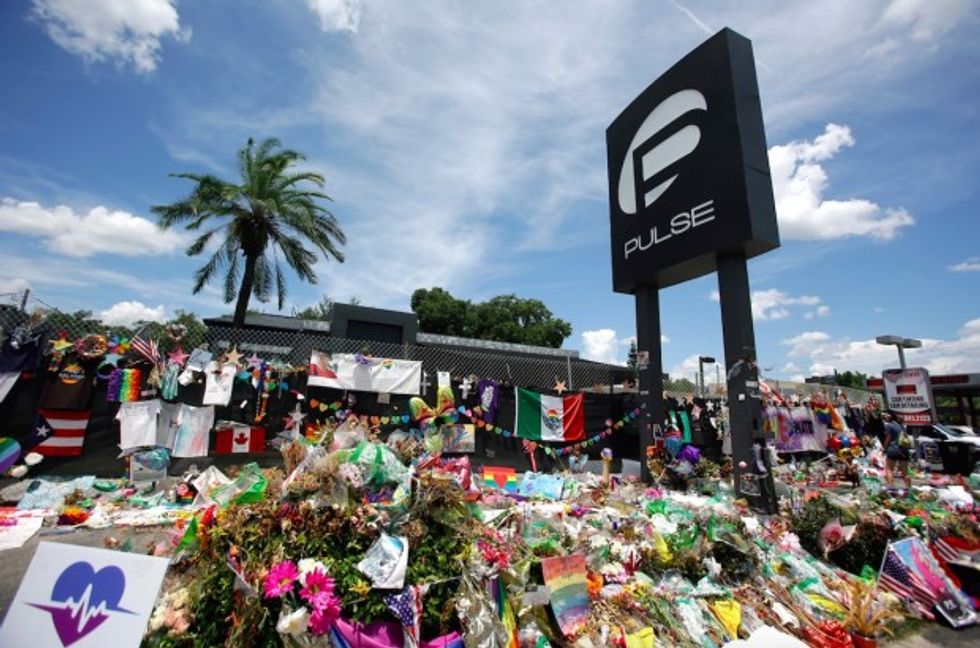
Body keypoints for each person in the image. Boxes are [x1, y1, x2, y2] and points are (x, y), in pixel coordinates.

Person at [882, 411, 912, 489]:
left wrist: (884, 449)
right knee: (905, 472)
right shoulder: (902, 426)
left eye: (886, 415)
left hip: (893, 450)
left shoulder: (889, 426)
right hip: (904, 450)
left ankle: (891, 489)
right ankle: (909, 489)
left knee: (889, 469)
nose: (885, 417)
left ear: (891, 416)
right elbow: (906, 438)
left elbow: (888, 439)